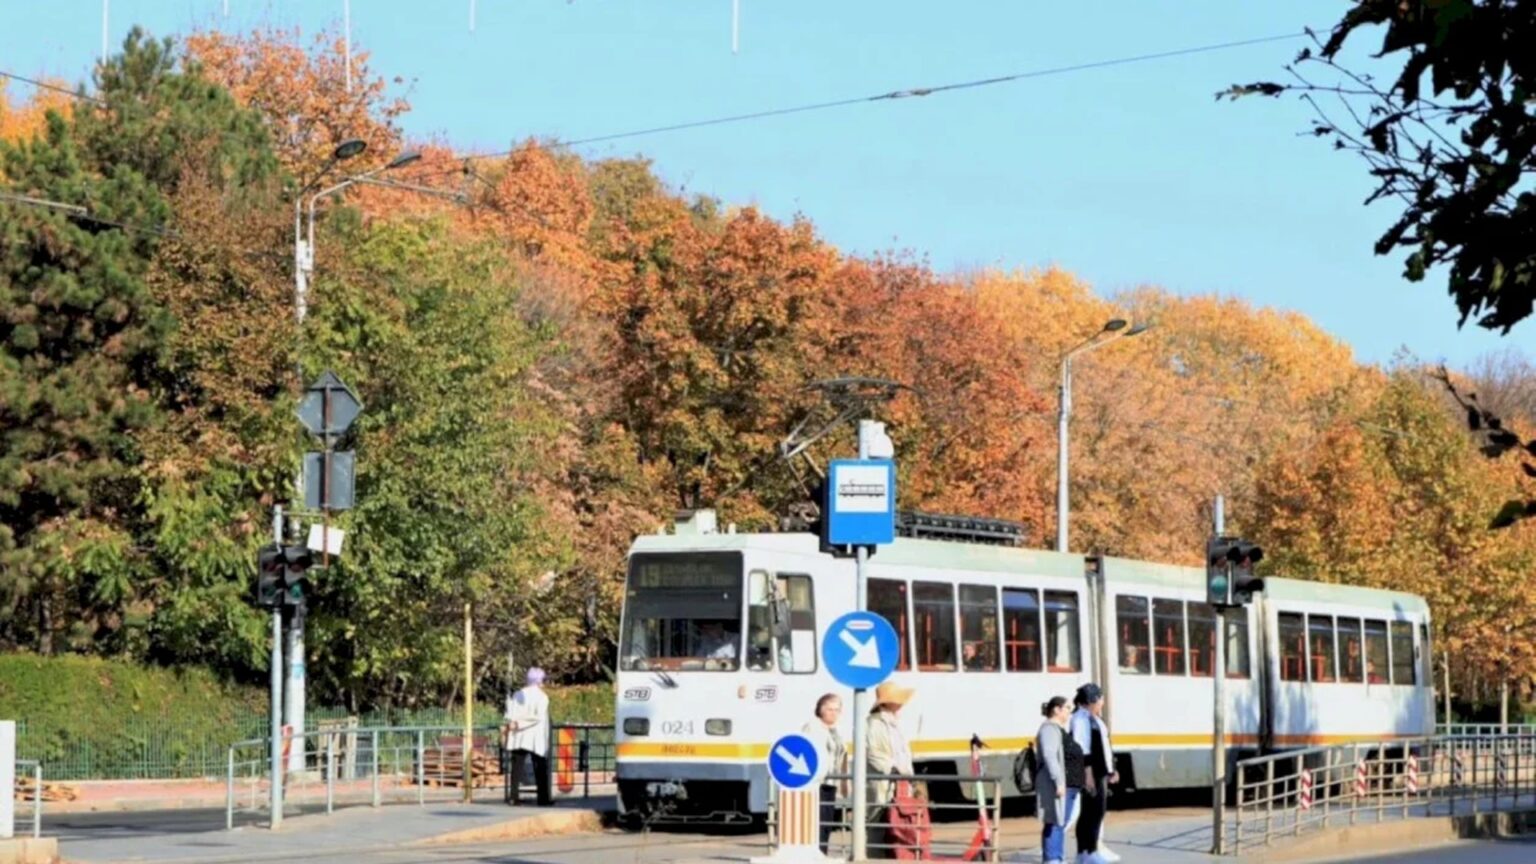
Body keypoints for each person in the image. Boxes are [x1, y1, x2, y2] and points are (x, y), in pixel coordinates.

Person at [866, 681, 916, 859]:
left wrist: (908, 774)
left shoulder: (894, 722)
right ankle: (875, 857)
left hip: (900, 780)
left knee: (897, 820)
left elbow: (903, 753)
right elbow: (872, 752)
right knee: (879, 819)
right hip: (884, 781)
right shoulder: (873, 724)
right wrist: (891, 769)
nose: (901, 703)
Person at [1069, 684, 1118, 864]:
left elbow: (1104, 746)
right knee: (1092, 812)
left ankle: (1088, 851)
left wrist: (1111, 769)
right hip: (1091, 772)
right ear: (1091, 700)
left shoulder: (1094, 718)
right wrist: (1088, 774)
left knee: (1095, 811)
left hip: (1100, 771)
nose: (1102, 702)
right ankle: (1088, 851)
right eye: (1100, 699)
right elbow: (1083, 748)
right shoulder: (1081, 719)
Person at [802, 693, 849, 854]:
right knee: (817, 821)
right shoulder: (812, 727)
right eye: (830, 709)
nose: (834, 713)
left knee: (827, 822)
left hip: (831, 782)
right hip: (817, 782)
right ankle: (816, 853)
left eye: (837, 710)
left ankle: (823, 852)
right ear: (821, 710)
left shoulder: (835, 731)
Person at [504, 667, 552, 807]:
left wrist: (515, 724)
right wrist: (520, 723)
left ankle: (513, 797)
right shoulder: (542, 697)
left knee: (516, 767)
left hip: (518, 735)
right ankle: (543, 798)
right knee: (540, 767)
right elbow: (538, 717)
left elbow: (510, 714)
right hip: (535, 736)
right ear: (540, 681)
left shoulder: (517, 694)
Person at [1035, 696, 1075, 864]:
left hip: (1057, 782)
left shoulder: (1055, 729)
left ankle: (1056, 857)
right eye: (1067, 708)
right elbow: (1050, 756)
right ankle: (1052, 858)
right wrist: (1058, 781)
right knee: (1054, 821)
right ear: (1057, 710)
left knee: (1058, 821)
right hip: (1051, 784)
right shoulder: (1049, 729)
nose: (1069, 712)